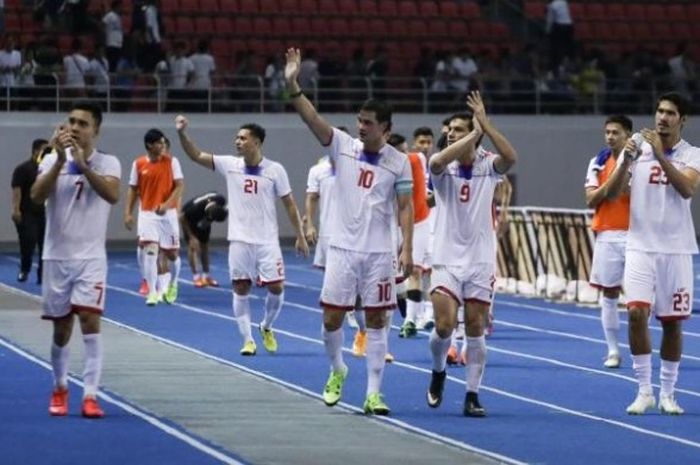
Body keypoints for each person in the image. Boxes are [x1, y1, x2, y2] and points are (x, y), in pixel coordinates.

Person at [285, 47, 414, 415]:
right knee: (332, 319)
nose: (361, 126)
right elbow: (312, 119)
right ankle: (337, 368)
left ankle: (374, 393)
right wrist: (292, 85)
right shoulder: (342, 146)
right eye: (359, 120)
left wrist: (407, 249)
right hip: (341, 249)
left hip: (378, 253)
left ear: (386, 129)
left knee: (376, 320)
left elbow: (405, 208)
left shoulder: (399, 163)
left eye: (369, 122)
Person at [175, 115, 309, 356]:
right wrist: (182, 134)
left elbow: (289, 204)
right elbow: (196, 155)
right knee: (240, 288)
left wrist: (299, 234)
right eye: (236, 137)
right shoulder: (230, 164)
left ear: (256, 143)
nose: (237, 141)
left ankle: (266, 326)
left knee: (277, 288)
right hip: (239, 240)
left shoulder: (275, 170)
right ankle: (247, 340)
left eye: (243, 138)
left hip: (267, 240)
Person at [607, 92, 700, 415]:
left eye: (670, 113)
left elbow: (687, 189)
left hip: (676, 250)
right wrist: (627, 160)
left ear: (682, 120)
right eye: (659, 111)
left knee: (673, 324)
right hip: (640, 247)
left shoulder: (692, 154)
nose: (662, 117)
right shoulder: (637, 146)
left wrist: (660, 156)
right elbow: (616, 192)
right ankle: (644, 390)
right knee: (635, 314)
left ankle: (669, 393)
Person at [426, 91, 517, 417]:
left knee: (476, 327)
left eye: (459, 130)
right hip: (446, 257)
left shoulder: (487, 164)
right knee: (445, 325)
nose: (451, 134)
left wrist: (485, 127)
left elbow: (511, 157)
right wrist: (471, 136)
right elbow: (437, 161)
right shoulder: (440, 165)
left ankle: (472, 394)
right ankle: (438, 370)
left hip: (479, 258)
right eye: (449, 130)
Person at [30, 102, 121, 418]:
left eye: (82, 123)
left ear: (96, 128)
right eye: (71, 121)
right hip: (57, 256)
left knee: (89, 321)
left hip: (91, 258)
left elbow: (112, 195)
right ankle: (60, 387)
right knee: (61, 329)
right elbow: (36, 196)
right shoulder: (52, 158)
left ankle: (91, 395)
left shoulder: (108, 162)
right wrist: (58, 162)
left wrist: (84, 166)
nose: (75, 127)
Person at [584, 115, 633, 369]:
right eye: (608, 132)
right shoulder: (598, 161)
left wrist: (606, 188)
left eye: (616, 132)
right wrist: (608, 189)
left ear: (627, 135)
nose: (610, 136)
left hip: (637, 233)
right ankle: (613, 350)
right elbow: (591, 200)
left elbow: (625, 191)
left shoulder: (640, 161)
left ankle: (641, 348)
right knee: (609, 293)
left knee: (640, 298)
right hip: (607, 232)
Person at [124, 128, 184, 306]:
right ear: (150, 145)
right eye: (159, 142)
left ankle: (174, 283)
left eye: (164, 142)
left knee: (171, 254)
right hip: (148, 214)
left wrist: (166, 205)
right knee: (151, 251)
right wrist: (127, 212)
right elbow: (133, 189)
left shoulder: (172, 162)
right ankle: (152, 292)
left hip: (168, 214)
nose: (163, 145)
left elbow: (179, 186)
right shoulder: (138, 164)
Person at [11, 138, 49, 283]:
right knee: (28, 242)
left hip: (43, 213)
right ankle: (24, 269)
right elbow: (17, 190)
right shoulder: (23, 169)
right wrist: (16, 210)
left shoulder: (47, 169)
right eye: (45, 150)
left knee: (45, 245)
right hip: (27, 213)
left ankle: (42, 275)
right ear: (36, 151)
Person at [180, 192, 228, 287]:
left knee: (204, 246)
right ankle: (196, 277)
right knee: (193, 247)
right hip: (189, 221)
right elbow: (182, 217)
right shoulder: (194, 209)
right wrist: (192, 237)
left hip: (205, 219)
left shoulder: (221, 200)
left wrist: (209, 221)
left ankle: (206, 276)